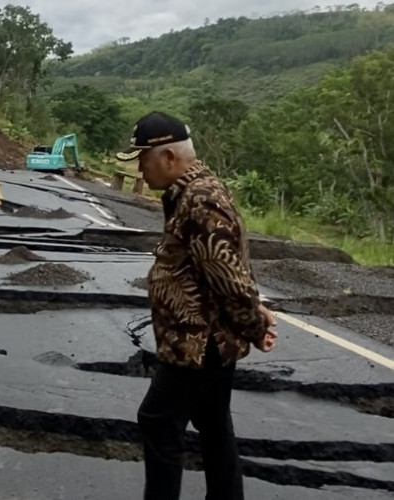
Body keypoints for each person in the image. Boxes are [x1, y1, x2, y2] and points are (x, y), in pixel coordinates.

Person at [115, 111, 278, 500]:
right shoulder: (189, 193)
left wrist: (255, 324)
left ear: (168, 157)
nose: (140, 168)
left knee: (156, 421)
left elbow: (226, 276)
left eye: (143, 158)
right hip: (206, 338)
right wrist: (256, 310)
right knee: (213, 424)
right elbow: (227, 267)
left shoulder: (200, 200)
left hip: (198, 342)